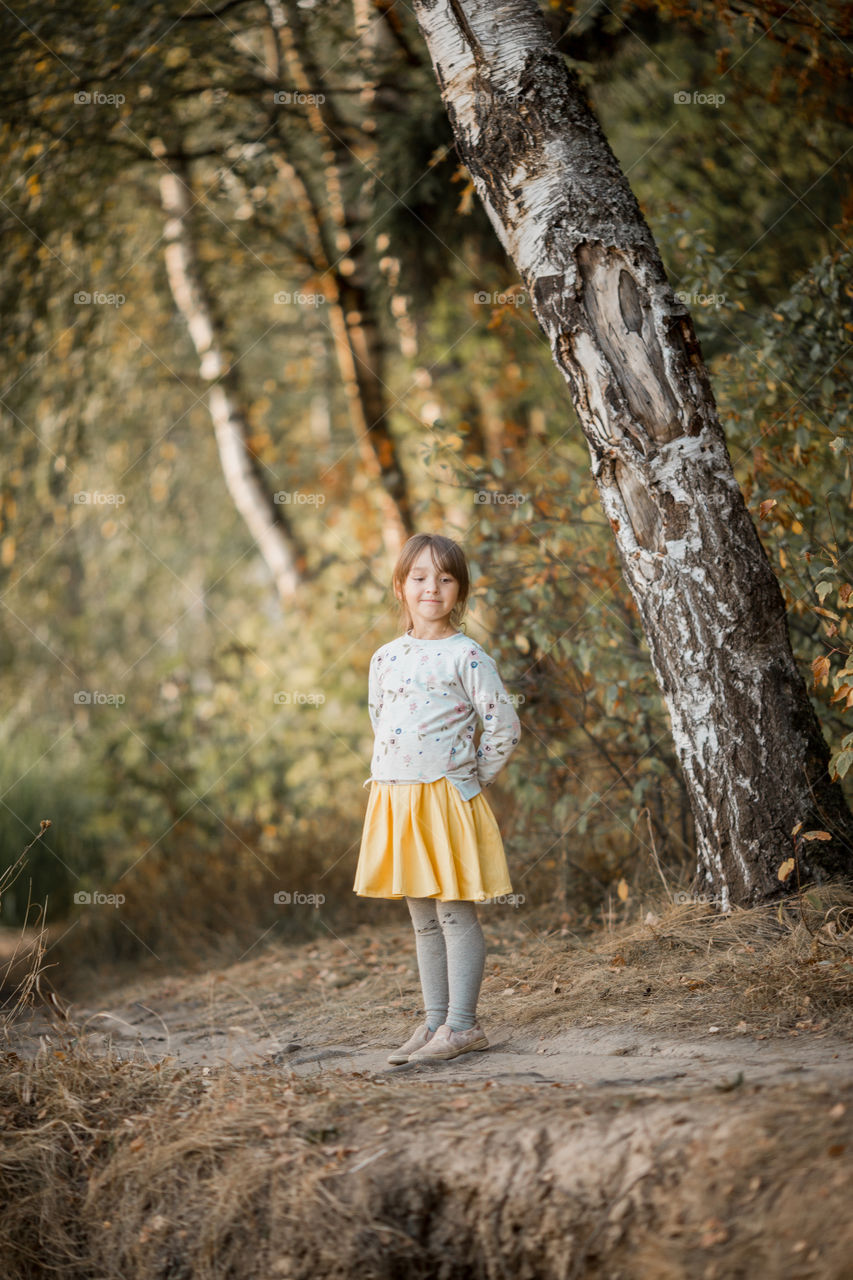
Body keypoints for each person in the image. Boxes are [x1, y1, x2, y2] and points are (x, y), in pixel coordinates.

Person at [353, 532, 521, 1064]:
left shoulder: (466, 655)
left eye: (445, 578)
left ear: (460, 590)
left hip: (447, 800)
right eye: (420, 578)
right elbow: (383, 721)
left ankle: (464, 1026)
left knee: (454, 914)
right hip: (397, 800)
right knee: (422, 918)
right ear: (401, 587)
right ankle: (433, 1025)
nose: (432, 588)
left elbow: (504, 728)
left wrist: (471, 782)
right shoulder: (385, 657)